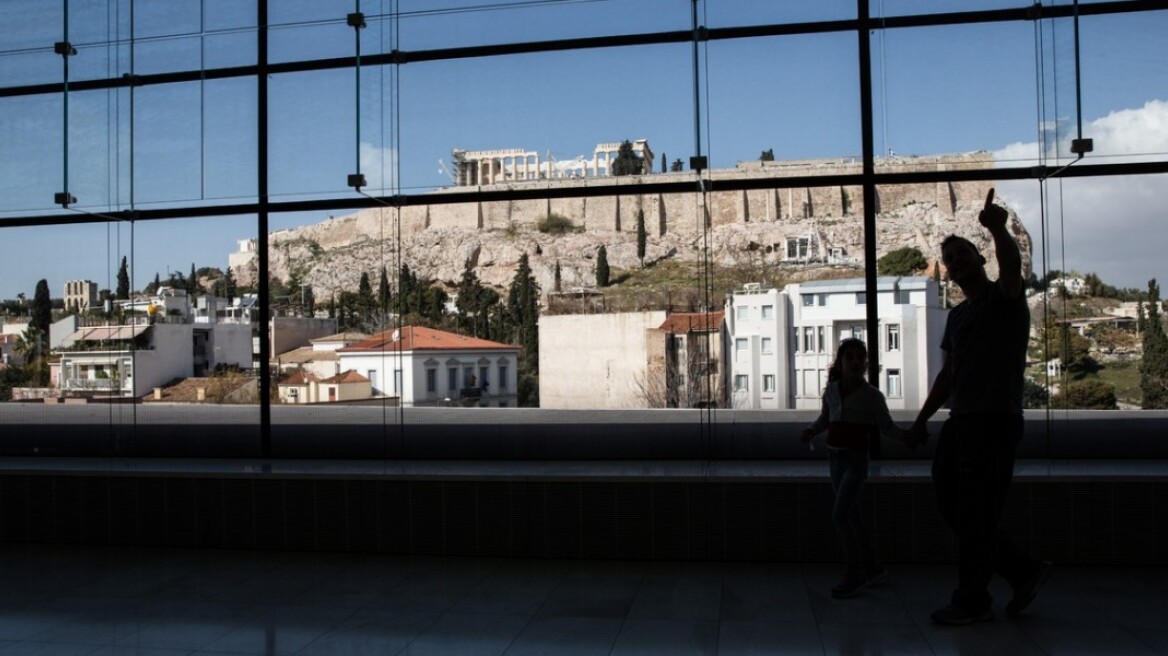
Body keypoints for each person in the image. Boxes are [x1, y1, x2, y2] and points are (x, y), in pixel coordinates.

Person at [906, 188, 1053, 625]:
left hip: (993, 421)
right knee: (954, 504)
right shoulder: (956, 317)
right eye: (951, 258)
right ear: (948, 273)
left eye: (964, 253)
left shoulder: (1004, 301)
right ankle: (1023, 570)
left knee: (975, 511)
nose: (957, 260)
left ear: (981, 258)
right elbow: (947, 376)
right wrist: (920, 421)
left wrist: (998, 229)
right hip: (962, 421)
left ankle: (972, 600)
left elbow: (1012, 270)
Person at [801, 337, 908, 599]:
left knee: (841, 516)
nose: (856, 362)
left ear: (866, 364)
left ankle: (854, 574)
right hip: (835, 460)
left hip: (856, 461)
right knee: (853, 516)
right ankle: (873, 568)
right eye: (850, 357)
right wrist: (812, 430)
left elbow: (886, 427)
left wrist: (909, 437)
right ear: (840, 362)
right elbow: (826, 418)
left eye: (860, 358)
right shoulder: (832, 390)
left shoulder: (872, 396)